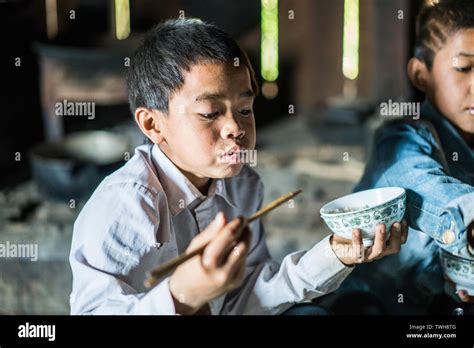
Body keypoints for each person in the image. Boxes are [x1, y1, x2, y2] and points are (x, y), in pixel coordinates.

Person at [69, 19, 406, 315]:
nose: (236, 127)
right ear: (153, 124)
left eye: (244, 109)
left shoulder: (243, 184)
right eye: (210, 113)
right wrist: (183, 296)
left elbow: (249, 298)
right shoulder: (128, 204)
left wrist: (336, 255)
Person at [327, 0, 474, 314]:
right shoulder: (399, 142)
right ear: (421, 74)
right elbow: (431, 191)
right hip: (372, 305)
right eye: (464, 68)